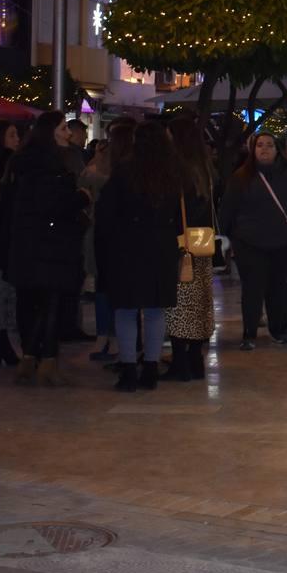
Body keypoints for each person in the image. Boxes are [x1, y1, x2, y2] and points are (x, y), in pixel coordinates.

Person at [1, 111, 89, 387]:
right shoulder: (50, 167)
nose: (69, 134)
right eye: (64, 128)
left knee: (30, 303)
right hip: (51, 245)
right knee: (49, 303)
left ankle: (30, 357)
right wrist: (80, 198)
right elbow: (56, 204)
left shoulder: (22, 163)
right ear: (51, 132)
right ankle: (47, 361)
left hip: (26, 244)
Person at [95, 121, 183, 391]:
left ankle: (129, 369)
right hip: (162, 247)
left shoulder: (124, 171)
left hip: (128, 247)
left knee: (126, 310)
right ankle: (152, 369)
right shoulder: (171, 173)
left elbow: (107, 214)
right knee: (156, 310)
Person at [220, 132, 287, 350]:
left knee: (279, 289)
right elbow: (228, 209)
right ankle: (249, 333)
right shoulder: (241, 176)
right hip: (249, 244)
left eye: (269, 145)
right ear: (252, 150)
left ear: (277, 149)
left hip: (282, 243)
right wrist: (229, 235)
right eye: (259, 145)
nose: (264, 149)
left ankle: (278, 330)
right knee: (252, 289)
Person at [163, 116, 217, 380]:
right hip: (202, 242)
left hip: (181, 245)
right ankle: (195, 359)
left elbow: (173, 209)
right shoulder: (205, 169)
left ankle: (180, 363)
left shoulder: (176, 170)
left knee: (179, 305)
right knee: (198, 305)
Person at [78, 119, 135, 361]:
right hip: (115, 235)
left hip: (106, 233)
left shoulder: (104, 168)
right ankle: (115, 340)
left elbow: (85, 187)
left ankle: (109, 338)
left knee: (106, 287)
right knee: (111, 288)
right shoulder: (126, 168)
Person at [0, 120, 21, 367]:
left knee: (1, 292)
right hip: (1, 239)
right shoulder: (7, 166)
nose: (17, 139)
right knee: (3, 292)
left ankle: (3, 341)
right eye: (12, 134)